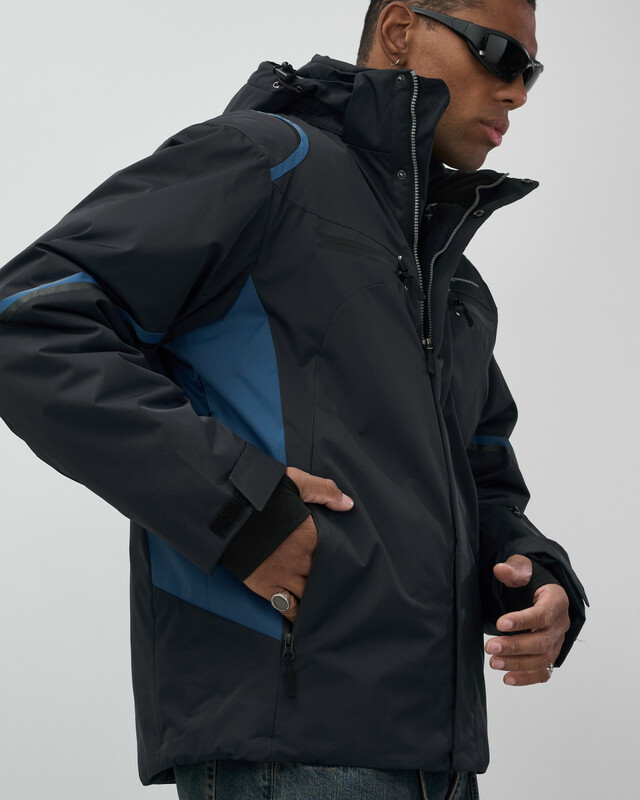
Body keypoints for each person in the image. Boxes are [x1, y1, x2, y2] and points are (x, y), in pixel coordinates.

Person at [0, 1, 588, 798]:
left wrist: (534, 576)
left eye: (532, 71)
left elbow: (479, 477)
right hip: (291, 746)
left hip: (439, 760)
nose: (517, 91)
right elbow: (29, 326)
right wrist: (241, 510)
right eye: (500, 55)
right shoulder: (265, 162)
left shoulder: (451, 275)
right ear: (400, 30)